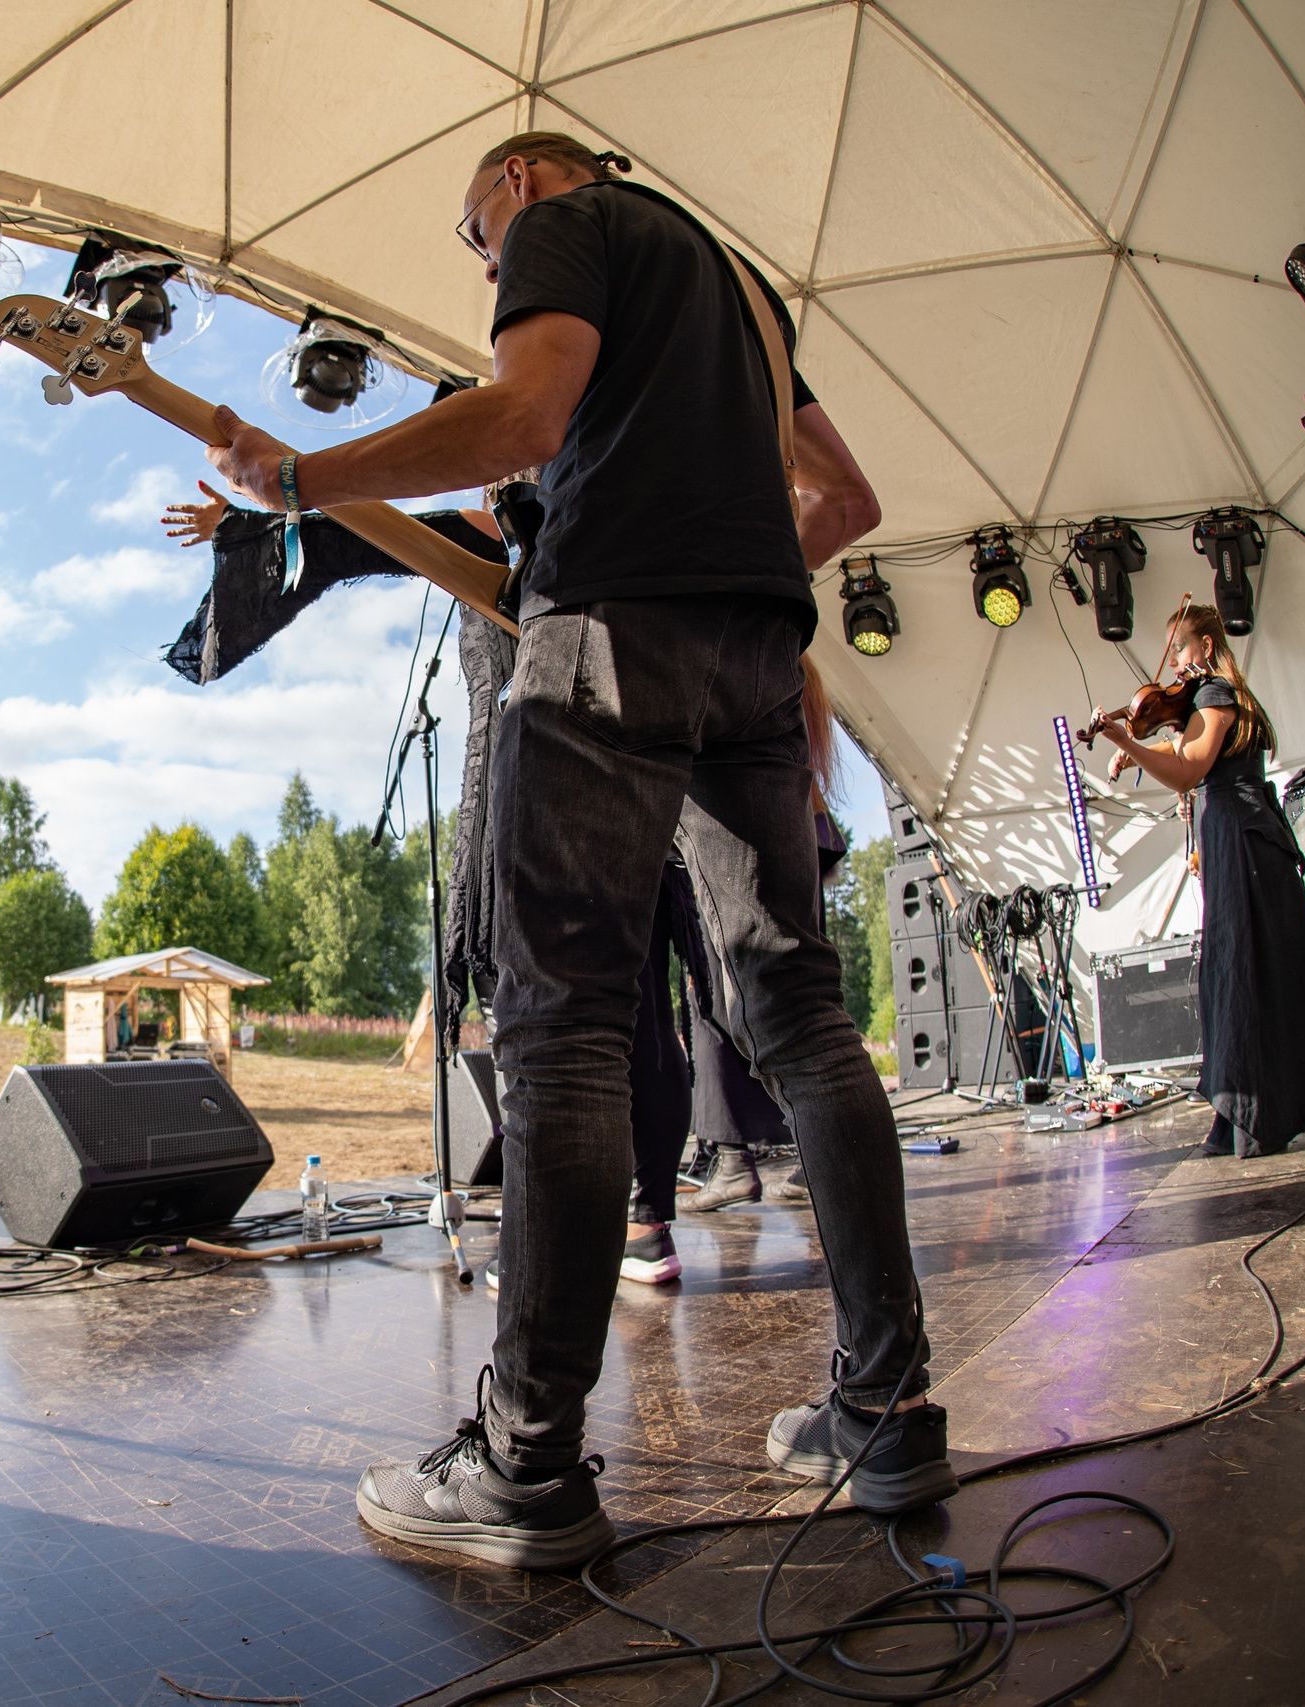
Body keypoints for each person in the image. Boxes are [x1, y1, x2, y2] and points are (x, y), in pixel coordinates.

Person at [209, 132, 947, 1569]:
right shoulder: (740, 291)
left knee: (561, 1034)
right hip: (752, 653)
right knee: (801, 1012)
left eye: (477, 236)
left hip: (609, 638)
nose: (484, 265)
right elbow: (846, 506)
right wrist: (729, 578)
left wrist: (296, 475)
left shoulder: (567, 224)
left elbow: (523, 417)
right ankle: (889, 1401)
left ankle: (526, 1461)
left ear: (526, 183)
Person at [1093, 603, 1305, 1156]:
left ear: (1206, 647)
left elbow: (1189, 767)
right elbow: (1182, 754)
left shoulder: (1217, 695)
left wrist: (1126, 743)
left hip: (1242, 839)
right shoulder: (1204, 702)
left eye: (1180, 650)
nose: (1175, 665)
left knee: (1244, 971)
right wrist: (1140, 753)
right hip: (1233, 836)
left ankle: (1252, 1116)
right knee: (1242, 972)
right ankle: (1252, 1112)